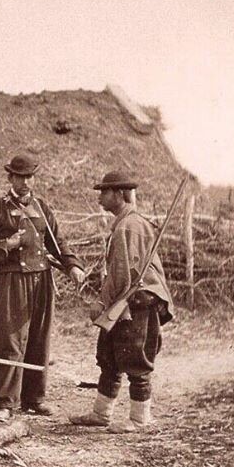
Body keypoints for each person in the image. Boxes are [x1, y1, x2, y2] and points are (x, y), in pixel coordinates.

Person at [0, 154, 86, 421]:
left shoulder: (42, 208)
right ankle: (4, 402)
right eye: (20, 176)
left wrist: (72, 266)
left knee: (38, 338)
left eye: (30, 176)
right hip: (11, 281)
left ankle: (34, 399)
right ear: (11, 178)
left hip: (42, 280)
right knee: (9, 339)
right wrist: (6, 245)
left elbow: (57, 243)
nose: (25, 182)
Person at [70, 172, 174, 433]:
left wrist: (101, 303)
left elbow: (121, 274)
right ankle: (101, 413)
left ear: (118, 194)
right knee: (109, 357)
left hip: (136, 303)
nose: (99, 198)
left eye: (104, 193)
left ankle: (140, 420)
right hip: (125, 301)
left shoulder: (129, 226)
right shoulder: (125, 222)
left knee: (136, 360)